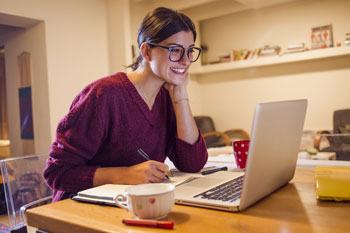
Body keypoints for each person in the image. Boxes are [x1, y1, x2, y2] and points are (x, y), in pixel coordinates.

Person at [44, 7, 208, 202]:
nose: (186, 61)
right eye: (175, 50)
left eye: (190, 51)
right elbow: (57, 173)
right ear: (146, 51)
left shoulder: (167, 97)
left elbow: (193, 164)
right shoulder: (103, 94)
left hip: (131, 206)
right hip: (79, 209)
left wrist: (180, 95)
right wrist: (124, 175)